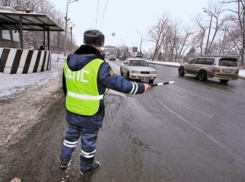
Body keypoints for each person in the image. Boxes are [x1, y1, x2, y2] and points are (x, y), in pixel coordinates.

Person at [60, 29, 151, 176]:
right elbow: (122, 84)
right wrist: (141, 87)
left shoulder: (68, 60)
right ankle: (85, 168)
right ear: (100, 45)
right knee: (88, 143)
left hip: (72, 108)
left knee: (70, 137)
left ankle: (63, 162)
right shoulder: (98, 65)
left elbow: (65, 86)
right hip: (91, 112)